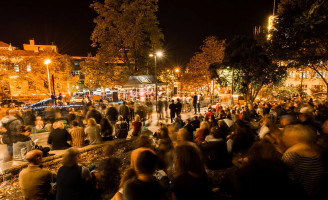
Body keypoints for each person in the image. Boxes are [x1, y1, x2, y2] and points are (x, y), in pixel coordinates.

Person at [282, 124, 324, 198]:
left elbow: (283, 178)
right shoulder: (314, 150)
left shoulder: (292, 154)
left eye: (285, 136)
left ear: (295, 138)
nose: (283, 139)